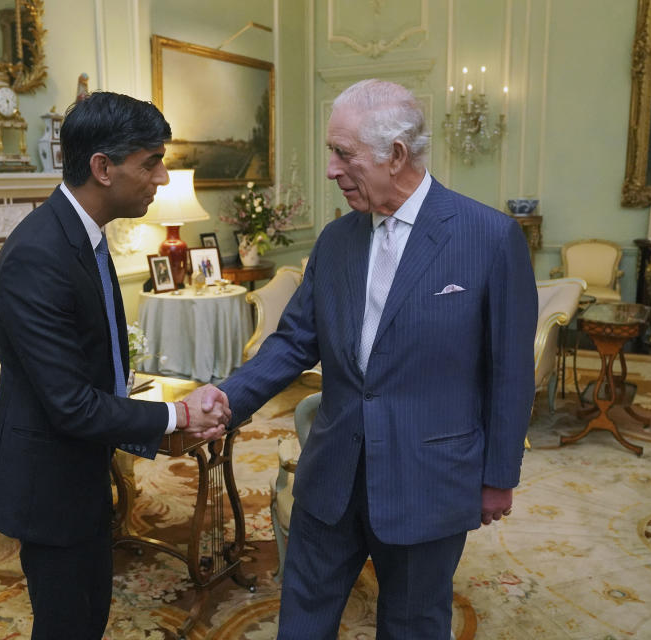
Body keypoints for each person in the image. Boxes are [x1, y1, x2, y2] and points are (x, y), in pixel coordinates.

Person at [217, 80, 537, 639]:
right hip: (332, 473)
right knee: (302, 618)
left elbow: (510, 373)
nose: (331, 170)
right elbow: (293, 340)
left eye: (344, 154)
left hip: (428, 482)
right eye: (331, 153)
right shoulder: (336, 239)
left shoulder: (488, 238)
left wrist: (498, 477)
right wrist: (226, 399)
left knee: (412, 624)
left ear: (394, 155)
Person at [0, 91, 229, 640]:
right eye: (150, 162)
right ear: (102, 167)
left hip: (79, 472)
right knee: (66, 625)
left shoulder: (80, 234)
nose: (161, 177)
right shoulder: (38, 257)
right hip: (47, 482)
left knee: (90, 616)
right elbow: (70, 404)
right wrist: (178, 419)